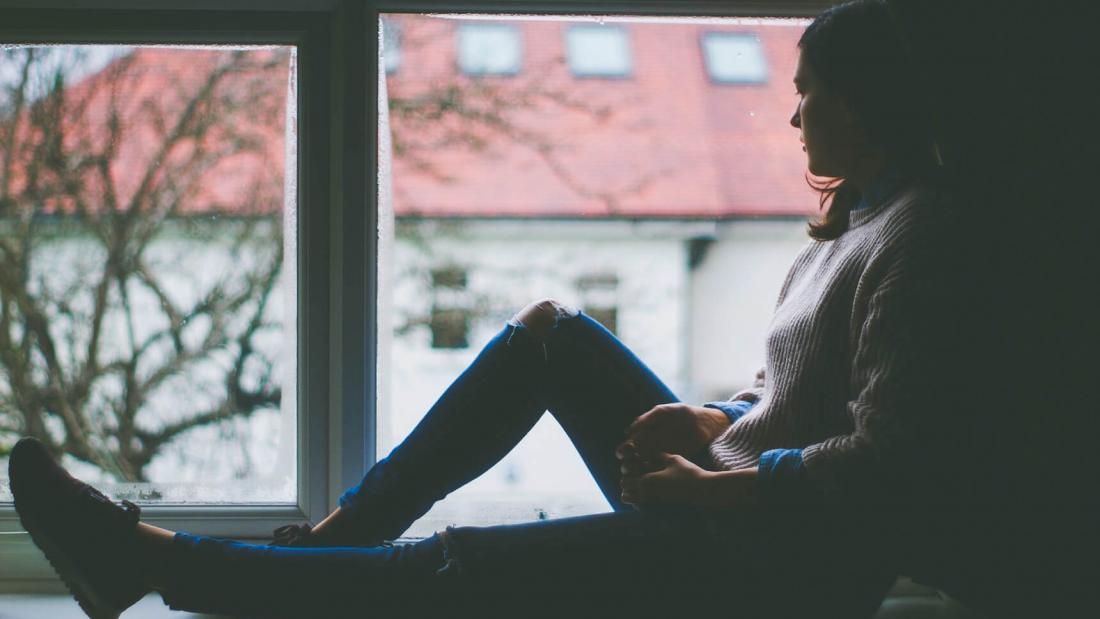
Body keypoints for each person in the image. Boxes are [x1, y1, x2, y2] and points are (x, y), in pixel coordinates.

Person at [8, 1, 954, 617]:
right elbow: (792, 389)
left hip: (786, 572)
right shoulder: (858, 216)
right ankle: (340, 539)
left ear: (867, 104)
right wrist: (712, 417)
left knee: (461, 565)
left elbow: (889, 462)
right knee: (552, 334)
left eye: (810, 95)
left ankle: (155, 560)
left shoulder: (919, 237)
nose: (794, 118)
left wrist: (713, 486)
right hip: (740, 506)